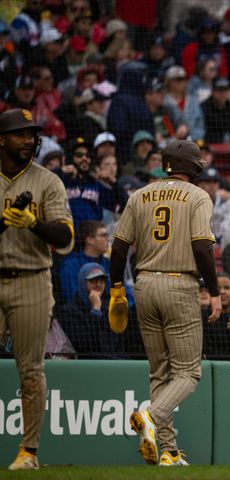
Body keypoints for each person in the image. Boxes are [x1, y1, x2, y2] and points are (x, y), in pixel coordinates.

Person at [109, 139, 221, 466]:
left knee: (160, 372)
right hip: (179, 284)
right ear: (194, 166)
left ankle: (169, 452)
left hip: (143, 284)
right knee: (188, 373)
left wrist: (117, 286)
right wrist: (213, 291)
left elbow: (118, 249)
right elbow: (202, 246)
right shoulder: (198, 196)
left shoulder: (139, 194)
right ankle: (151, 415)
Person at [0, 109, 74, 470]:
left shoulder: (48, 182)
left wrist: (33, 223)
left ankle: (29, 452)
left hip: (31, 279)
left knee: (30, 370)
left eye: (31, 134)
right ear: (2, 139)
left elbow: (65, 238)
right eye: (19, 134)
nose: (28, 140)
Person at [57, 263, 123, 356]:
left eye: (102, 281)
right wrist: (96, 310)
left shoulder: (110, 307)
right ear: (83, 283)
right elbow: (84, 343)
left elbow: (114, 343)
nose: (99, 284)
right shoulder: (68, 311)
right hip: (85, 361)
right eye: (93, 281)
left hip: (111, 360)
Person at [60, 220, 110, 303]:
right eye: (103, 235)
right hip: (81, 314)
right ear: (90, 239)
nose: (108, 239)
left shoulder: (110, 264)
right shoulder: (71, 266)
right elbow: (72, 299)